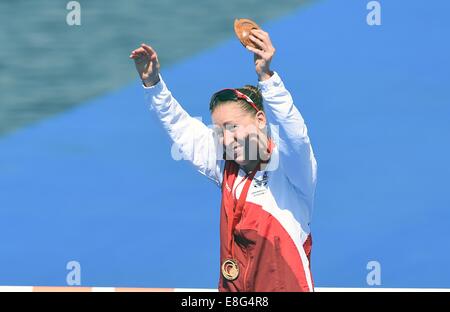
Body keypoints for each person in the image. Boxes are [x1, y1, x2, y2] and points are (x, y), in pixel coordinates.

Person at [129, 28, 317, 292]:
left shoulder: (291, 169)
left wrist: (267, 77)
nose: (226, 140)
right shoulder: (226, 166)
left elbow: (295, 136)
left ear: (261, 120)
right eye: (219, 132)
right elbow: (182, 129)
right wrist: (153, 85)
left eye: (232, 127)